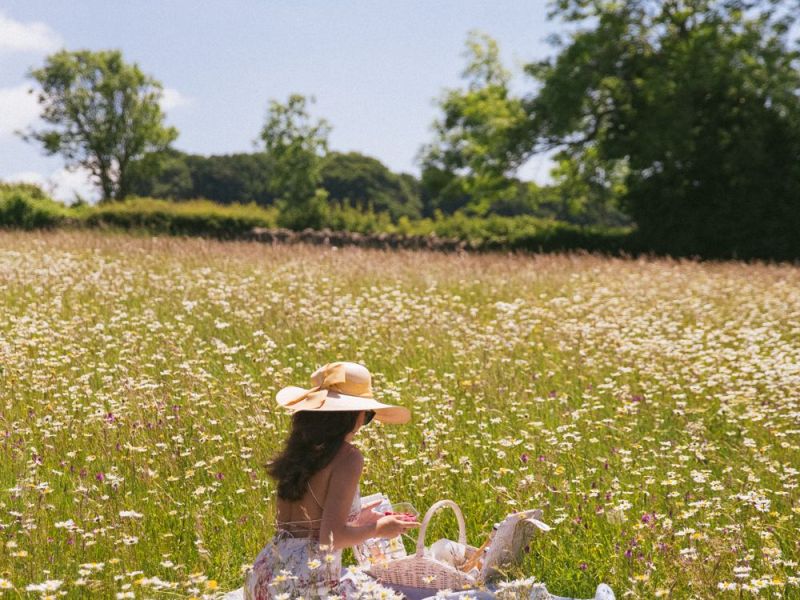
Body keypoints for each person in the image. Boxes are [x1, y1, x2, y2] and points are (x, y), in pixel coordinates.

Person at [227, 361, 615, 600]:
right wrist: (379, 528)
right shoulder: (346, 457)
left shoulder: (296, 452)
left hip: (265, 577)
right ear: (356, 416)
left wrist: (358, 524)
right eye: (369, 415)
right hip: (309, 586)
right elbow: (330, 541)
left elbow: (302, 529)